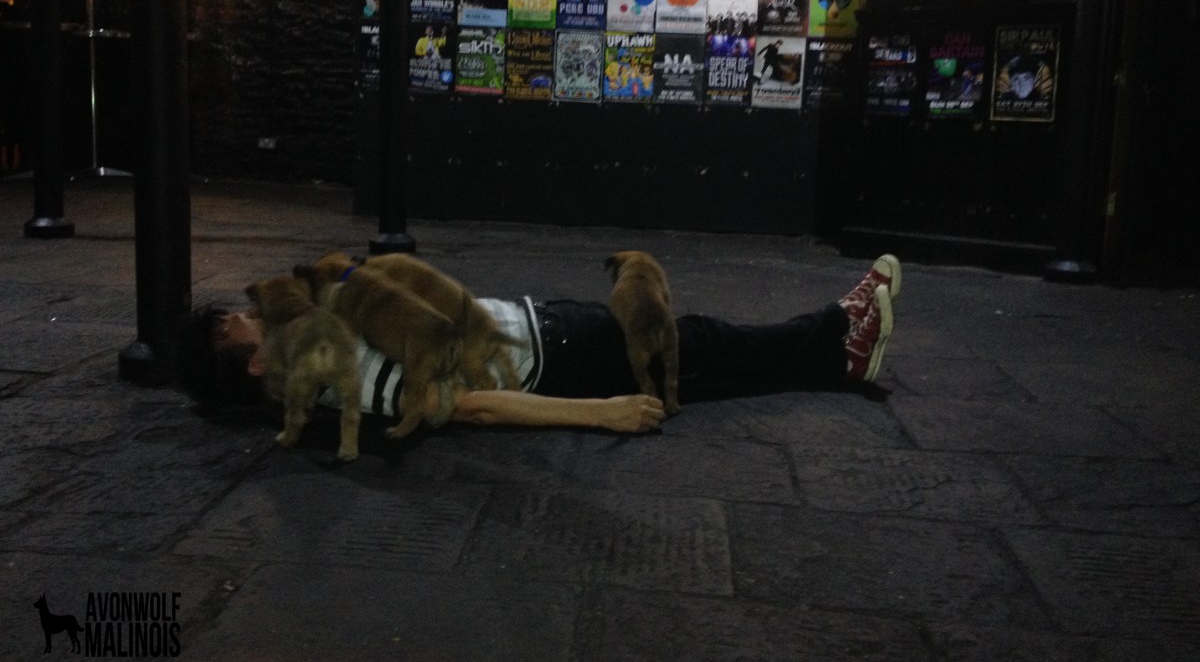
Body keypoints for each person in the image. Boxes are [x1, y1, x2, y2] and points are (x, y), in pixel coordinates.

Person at [177, 256, 901, 435]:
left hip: (541, 328)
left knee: (705, 363)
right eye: (235, 324)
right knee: (699, 343)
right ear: (255, 360)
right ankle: (839, 331)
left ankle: (834, 356)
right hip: (554, 358)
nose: (249, 312)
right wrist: (601, 412)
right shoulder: (344, 380)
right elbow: (467, 406)